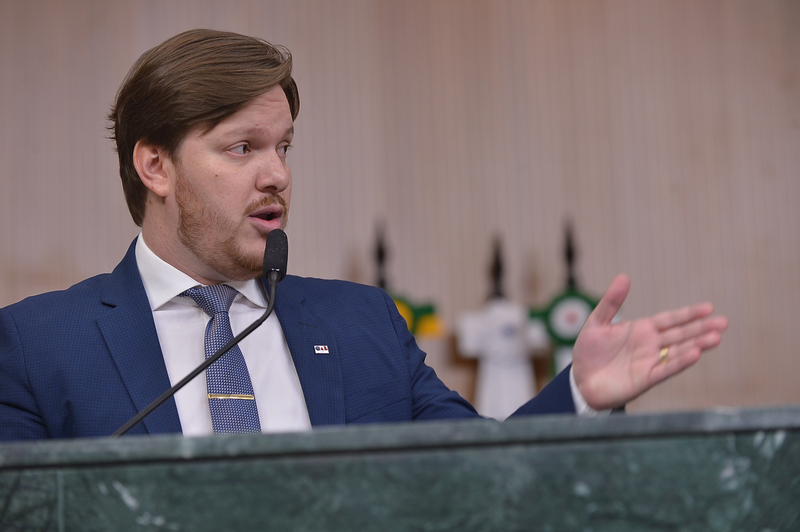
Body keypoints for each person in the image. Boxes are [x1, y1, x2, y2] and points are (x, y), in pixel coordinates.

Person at [0, 29, 728, 441]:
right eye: (242, 148)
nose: (277, 175)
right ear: (155, 166)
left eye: (284, 147)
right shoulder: (35, 345)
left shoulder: (363, 323)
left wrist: (581, 396)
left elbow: (477, 474)